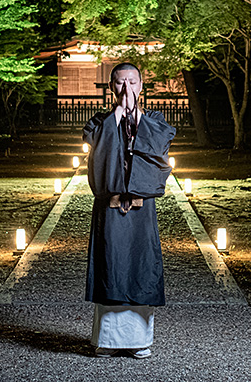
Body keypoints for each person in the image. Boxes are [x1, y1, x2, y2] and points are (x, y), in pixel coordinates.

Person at [83, 62, 176, 359]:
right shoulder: (100, 122)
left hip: (141, 207)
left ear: (141, 85)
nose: (127, 88)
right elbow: (96, 149)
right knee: (110, 266)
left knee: (140, 267)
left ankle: (139, 340)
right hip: (109, 206)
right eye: (121, 82)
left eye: (132, 82)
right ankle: (108, 340)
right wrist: (118, 115)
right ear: (112, 87)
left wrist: (135, 116)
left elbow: (160, 144)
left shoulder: (154, 120)